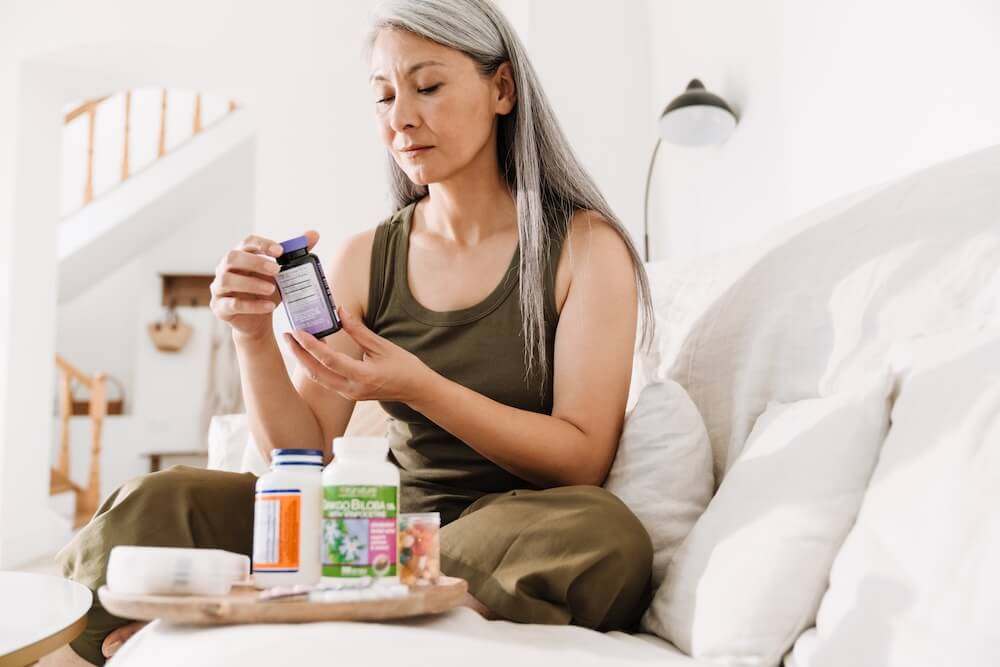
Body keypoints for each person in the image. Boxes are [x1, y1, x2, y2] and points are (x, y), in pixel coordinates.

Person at [50, 0, 658, 664]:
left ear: (502, 89)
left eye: (427, 86)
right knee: (158, 502)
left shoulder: (585, 248)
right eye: (383, 96)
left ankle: (305, 609)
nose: (401, 118)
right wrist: (251, 333)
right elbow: (304, 448)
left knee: (607, 532)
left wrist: (422, 388)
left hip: (508, 533)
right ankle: (362, 600)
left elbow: (582, 457)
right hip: (362, 532)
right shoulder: (366, 257)